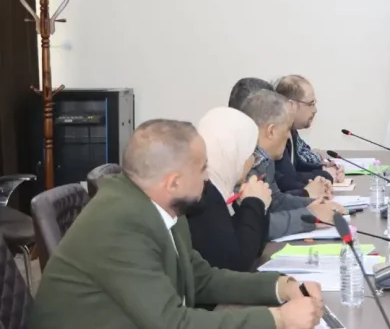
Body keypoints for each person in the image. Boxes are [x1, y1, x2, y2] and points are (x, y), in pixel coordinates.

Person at [29, 119, 323, 329]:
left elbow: (201, 278)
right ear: (173, 183)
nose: (207, 177)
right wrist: (278, 319)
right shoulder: (120, 225)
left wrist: (281, 287)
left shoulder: (164, 207)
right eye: (202, 168)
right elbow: (172, 323)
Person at [238, 89, 341, 240]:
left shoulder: (265, 159)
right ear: (271, 131)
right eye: (287, 129)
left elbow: (276, 201)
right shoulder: (240, 165)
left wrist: (317, 204)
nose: (288, 137)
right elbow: (255, 225)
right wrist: (310, 215)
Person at [186, 106, 272, 272]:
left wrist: (260, 204)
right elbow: (236, 263)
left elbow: (255, 250)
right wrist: (254, 203)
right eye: (250, 153)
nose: (253, 162)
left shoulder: (222, 189)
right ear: (234, 152)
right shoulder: (202, 194)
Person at [273, 75, 345, 194]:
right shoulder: (277, 134)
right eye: (310, 104)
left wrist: (325, 168)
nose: (315, 110)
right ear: (291, 105)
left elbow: (297, 166)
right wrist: (325, 175)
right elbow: (288, 181)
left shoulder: (291, 130)